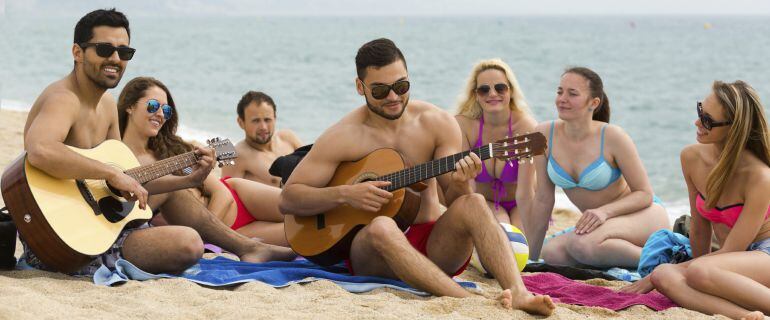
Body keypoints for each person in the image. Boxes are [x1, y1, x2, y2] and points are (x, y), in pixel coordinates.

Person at [279, 38, 554, 315]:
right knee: (382, 226)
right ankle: (465, 300)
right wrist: (346, 194)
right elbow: (289, 198)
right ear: (360, 87)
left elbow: (454, 198)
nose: (393, 97)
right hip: (376, 254)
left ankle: (518, 293)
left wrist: (460, 182)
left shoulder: (436, 123)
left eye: (401, 86)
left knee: (474, 203)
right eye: (380, 90)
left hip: (435, 246)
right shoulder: (344, 136)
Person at [21, 9, 292, 276]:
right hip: (65, 238)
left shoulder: (106, 104)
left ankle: (247, 248)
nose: (115, 59)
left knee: (177, 198)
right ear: (77, 52)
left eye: (124, 52)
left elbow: (128, 177)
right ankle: (246, 246)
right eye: (104, 49)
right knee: (188, 244)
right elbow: (41, 150)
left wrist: (188, 180)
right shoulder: (63, 99)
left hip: (100, 225)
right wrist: (110, 172)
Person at [622, 81, 770, 320]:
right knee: (664, 276)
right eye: (700, 111)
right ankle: (746, 316)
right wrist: (669, 273)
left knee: (696, 270)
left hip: (762, 255)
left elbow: (734, 249)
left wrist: (687, 270)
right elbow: (700, 228)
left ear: (734, 129)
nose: (698, 122)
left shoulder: (759, 177)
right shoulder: (691, 157)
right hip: (727, 265)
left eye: (708, 120)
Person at [525, 67, 669, 268]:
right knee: (551, 254)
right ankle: (612, 253)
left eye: (572, 93)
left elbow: (644, 194)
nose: (562, 99)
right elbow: (543, 198)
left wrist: (604, 212)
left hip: (641, 215)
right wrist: (530, 258)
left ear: (593, 103)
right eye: (560, 92)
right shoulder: (542, 134)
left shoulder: (613, 137)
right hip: (600, 226)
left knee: (581, 245)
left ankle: (668, 260)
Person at [118, 77, 288, 246]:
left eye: (167, 110)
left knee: (303, 208)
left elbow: (223, 194)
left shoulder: (174, 149)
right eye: (153, 106)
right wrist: (217, 238)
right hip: (230, 232)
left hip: (238, 197)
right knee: (301, 234)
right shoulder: (113, 157)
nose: (161, 114)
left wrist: (210, 235)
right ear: (130, 106)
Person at [454, 59, 537, 229]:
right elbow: (468, 187)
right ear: (476, 95)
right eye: (484, 90)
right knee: (504, 232)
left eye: (500, 88)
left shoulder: (526, 127)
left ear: (511, 91)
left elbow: (526, 192)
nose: (492, 94)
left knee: (520, 245)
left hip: (521, 203)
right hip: (486, 202)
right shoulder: (464, 126)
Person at [221, 91, 303, 187]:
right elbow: (228, 195)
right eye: (256, 121)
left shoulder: (288, 138)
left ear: (275, 118)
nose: (263, 127)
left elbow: (313, 165)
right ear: (241, 122)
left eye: (267, 120)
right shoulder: (235, 155)